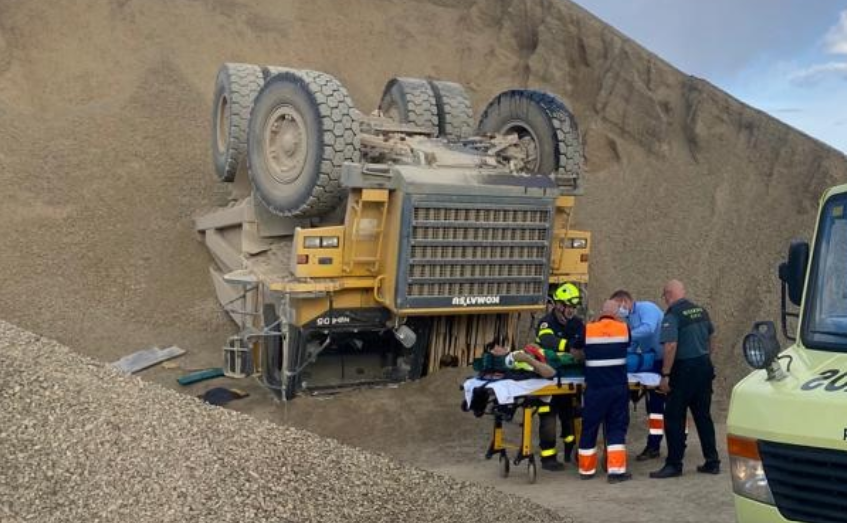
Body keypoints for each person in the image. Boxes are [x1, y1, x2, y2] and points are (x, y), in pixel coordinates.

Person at [650, 280, 721, 478]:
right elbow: (713, 336)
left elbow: (670, 345)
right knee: (703, 416)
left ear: (668, 295)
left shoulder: (672, 315)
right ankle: (712, 461)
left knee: (674, 417)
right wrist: (706, 355)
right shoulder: (700, 311)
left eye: (664, 296)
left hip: (683, 371)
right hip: (704, 367)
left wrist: (665, 374)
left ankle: (674, 464)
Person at [578, 300, 632, 483]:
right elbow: (628, 347)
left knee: (589, 427)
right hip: (617, 387)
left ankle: (586, 470)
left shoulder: (588, 329)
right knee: (616, 427)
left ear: (601, 312)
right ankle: (616, 471)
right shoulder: (624, 329)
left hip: (595, 388)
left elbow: (576, 349)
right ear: (616, 313)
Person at [535, 282, 586, 469]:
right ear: (559, 305)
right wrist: (569, 347)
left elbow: (583, 339)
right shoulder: (546, 322)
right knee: (547, 416)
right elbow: (547, 340)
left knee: (570, 415)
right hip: (547, 379)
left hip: (570, 379)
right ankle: (548, 458)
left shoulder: (577, 323)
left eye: (574, 307)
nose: (571, 311)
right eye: (569, 307)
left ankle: (570, 451)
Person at [610, 289, 666, 461]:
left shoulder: (646, 308)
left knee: (659, 405)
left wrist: (624, 334)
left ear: (625, 301)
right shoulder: (630, 318)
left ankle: (656, 445)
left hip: (666, 360)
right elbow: (633, 343)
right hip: (654, 359)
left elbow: (648, 329)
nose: (618, 312)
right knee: (654, 406)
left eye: (618, 307)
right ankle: (653, 446)